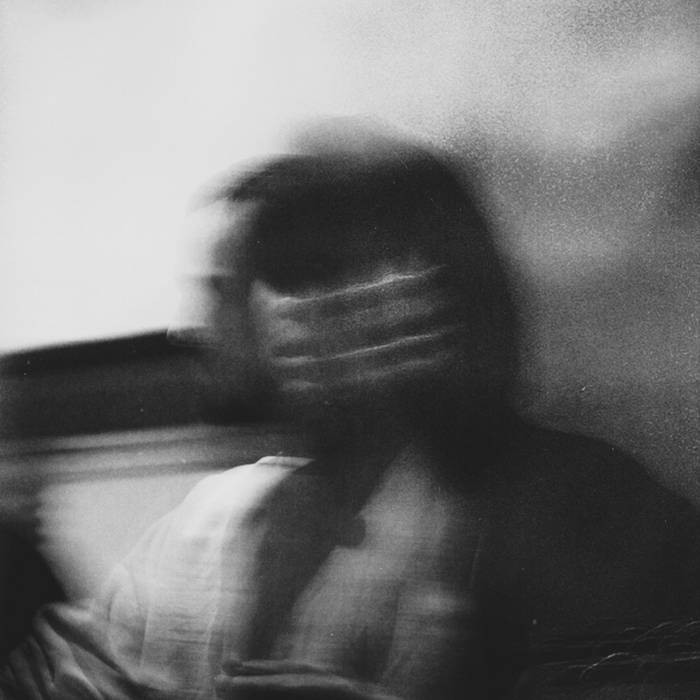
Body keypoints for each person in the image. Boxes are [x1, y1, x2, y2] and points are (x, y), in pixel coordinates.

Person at [1, 125, 699, 700]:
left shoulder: (579, 509)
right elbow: (69, 678)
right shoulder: (209, 526)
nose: (196, 328)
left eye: (229, 290)